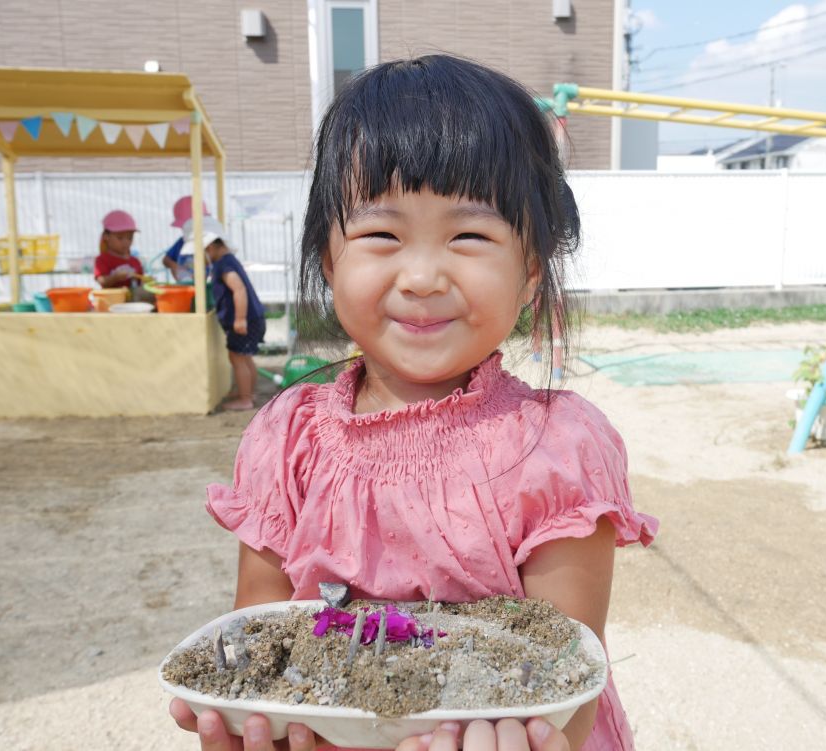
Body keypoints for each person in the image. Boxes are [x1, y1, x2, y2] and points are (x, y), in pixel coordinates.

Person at [170, 55, 658, 751]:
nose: (423, 276)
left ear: (528, 272)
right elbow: (262, 649)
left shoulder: (558, 448)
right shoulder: (288, 440)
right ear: (330, 260)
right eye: (381, 234)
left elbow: (567, 682)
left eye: (468, 235)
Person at [183, 217, 266, 411]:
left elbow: (238, 290)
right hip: (254, 318)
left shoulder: (223, 265)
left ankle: (246, 399)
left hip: (245, 319)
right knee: (244, 357)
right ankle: (248, 393)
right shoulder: (229, 260)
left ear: (210, 247)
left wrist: (239, 318)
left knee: (237, 358)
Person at [163, 195, 210, 282]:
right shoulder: (181, 242)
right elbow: (165, 260)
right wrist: (175, 266)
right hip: (184, 286)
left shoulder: (208, 243)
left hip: (203, 286)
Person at [94, 210, 145, 289]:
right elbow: (102, 281)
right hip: (111, 300)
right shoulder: (102, 260)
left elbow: (141, 283)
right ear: (106, 237)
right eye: (120, 238)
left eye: (130, 238)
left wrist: (146, 281)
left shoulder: (135, 261)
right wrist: (115, 277)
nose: (126, 242)